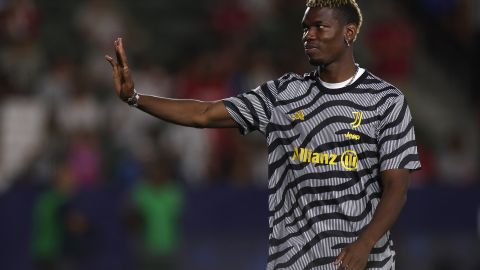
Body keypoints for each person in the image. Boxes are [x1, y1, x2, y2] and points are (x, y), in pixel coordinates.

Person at [105, 0, 421, 269]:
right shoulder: (284, 93)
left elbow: (396, 188)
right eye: (304, 28)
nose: (308, 36)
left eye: (319, 27)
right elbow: (205, 113)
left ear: (349, 33)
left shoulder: (386, 100)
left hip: (363, 262)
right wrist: (135, 98)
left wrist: (364, 244)